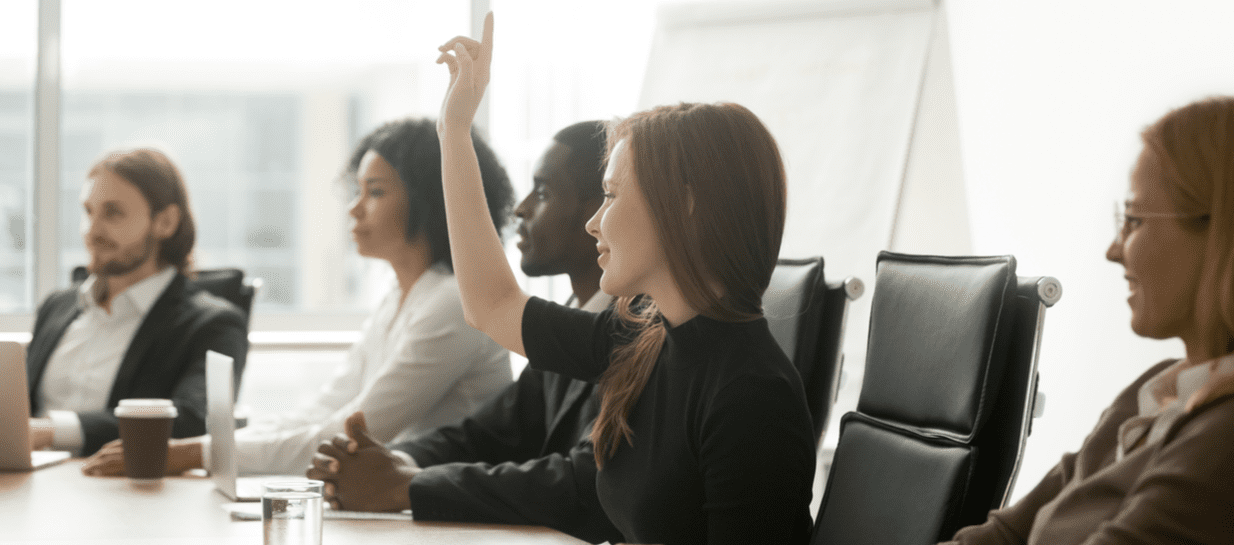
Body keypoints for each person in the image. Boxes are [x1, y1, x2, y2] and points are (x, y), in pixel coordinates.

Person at [428, 14, 815, 544]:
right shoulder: (642, 339)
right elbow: (491, 304)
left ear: (685, 206)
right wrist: (453, 133)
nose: (593, 223)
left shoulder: (751, 396)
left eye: (610, 195)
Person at [81, 118, 515, 477]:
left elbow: (351, 433)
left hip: (456, 522)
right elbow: (320, 410)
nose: (354, 208)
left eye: (376, 192)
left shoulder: (453, 303)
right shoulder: (401, 298)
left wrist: (195, 454)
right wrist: (208, 448)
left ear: (432, 201)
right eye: (357, 191)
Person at [944, 97, 1234, 544]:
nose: (1114, 250)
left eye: (1134, 220)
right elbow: (1004, 535)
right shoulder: (1156, 390)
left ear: (1223, 237)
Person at [306, 120, 624, 544]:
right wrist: (392, 462)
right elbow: (491, 432)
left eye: (544, 192)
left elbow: (583, 483)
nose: (520, 209)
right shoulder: (576, 317)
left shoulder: (635, 329)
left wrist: (405, 483)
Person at [26, 148, 248, 457]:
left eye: (113, 213)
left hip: (122, 490)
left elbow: (194, 420)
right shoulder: (57, 306)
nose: (92, 231)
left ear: (165, 222)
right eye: (88, 211)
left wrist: (49, 431)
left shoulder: (212, 324)